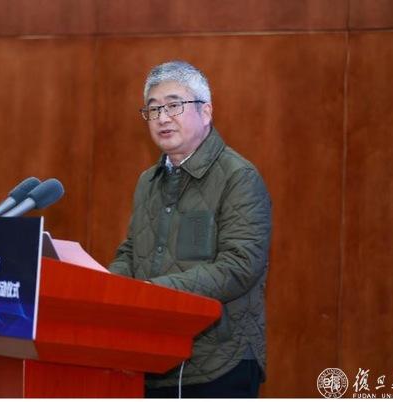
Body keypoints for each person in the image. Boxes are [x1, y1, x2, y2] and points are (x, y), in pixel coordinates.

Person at [108, 60, 272, 398]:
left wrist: (155, 292)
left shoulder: (238, 177)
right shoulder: (148, 181)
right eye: (154, 109)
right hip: (152, 357)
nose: (163, 118)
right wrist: (108, 288)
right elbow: (132, 251)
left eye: (174, 105)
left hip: (219, 362)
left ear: (206, 111)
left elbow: (240, 265)